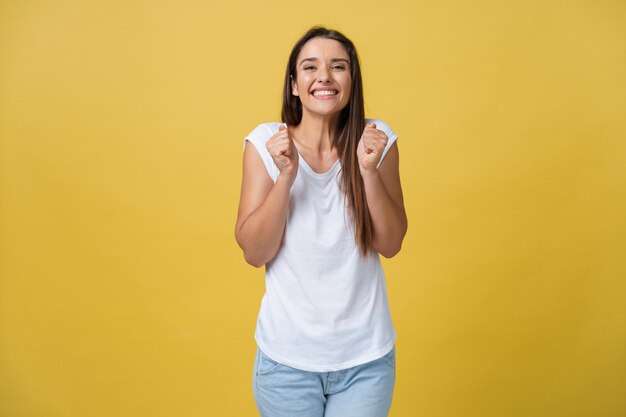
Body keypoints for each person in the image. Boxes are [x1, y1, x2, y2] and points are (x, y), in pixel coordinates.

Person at [235, 25, 407, 417]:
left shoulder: (376, 142)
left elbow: (392, 243)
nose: (324, 76)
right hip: (286, 363)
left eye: (338, 66)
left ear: (351, 80)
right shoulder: (265, 143)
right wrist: (286, 177)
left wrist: (368, 170)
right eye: (310, 67)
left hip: (366, 360)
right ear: (295, 84)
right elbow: (254, 252)